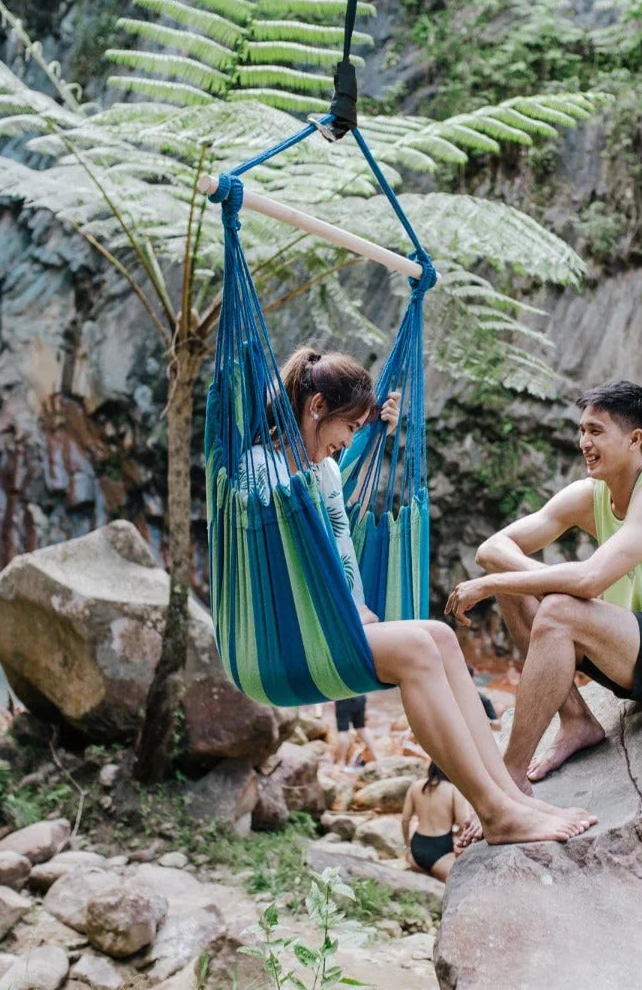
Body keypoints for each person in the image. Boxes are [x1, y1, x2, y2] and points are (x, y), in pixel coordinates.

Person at [239, 347, 592, 846]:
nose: (347, 443)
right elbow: (290, 551)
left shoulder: (325, 472)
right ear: (316, 406)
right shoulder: (261, 473)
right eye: (348, 427)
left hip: (339, 627)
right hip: (293, 641)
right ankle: (496, 815)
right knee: (419, 650)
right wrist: (343, 611)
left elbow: (331, 516)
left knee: (441, 637)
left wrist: (374, 435)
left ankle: (509, 797)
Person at [446, 380, 642, 797]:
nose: (584, 442)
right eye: (582, 430)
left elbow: (590, 580)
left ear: (635, 439)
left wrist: (496, 583)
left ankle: (509, 783)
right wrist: (516, 582)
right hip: (628, 651)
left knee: (558, 606)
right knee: (530, 590)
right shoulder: (590, 495)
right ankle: (577, 720)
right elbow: (492, 549)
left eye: (596, 431)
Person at [401, 762, 472, 880]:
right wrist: (458, 836)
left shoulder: (415, 786)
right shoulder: (453, 789)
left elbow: (405, 820)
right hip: (441, 848)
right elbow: (463, 822)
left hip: (417, 846)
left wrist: (407, 845)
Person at [332, 695, 380, 768]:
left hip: (343, 697)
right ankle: (376, 755)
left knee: (343, 731)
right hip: (359, 695)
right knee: (362, 727)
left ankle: (341, 762)